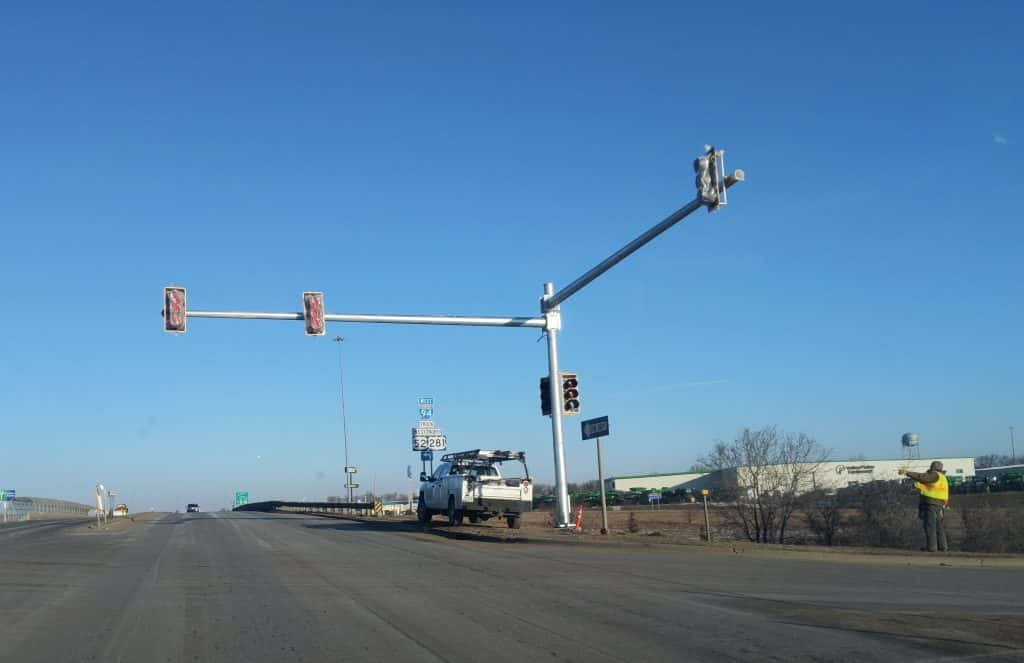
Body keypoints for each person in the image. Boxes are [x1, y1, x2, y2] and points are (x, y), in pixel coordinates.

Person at [898, 461, 949, 552]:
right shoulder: (942, 477)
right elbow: (923, 483)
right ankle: (943, 546)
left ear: (933, 467)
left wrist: (907, 473)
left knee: (930, 525)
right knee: (938, 526)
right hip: (939, 504)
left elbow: (922, 477)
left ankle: (932, 547)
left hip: (931, 503)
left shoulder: (934, 475)